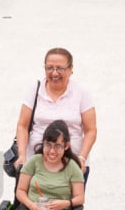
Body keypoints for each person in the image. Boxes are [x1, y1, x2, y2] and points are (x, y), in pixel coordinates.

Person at [14, 47, 97, 180]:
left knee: (69, 201)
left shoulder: (82, 92)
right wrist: (22, 155)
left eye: (60, 68)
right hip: (36, 163)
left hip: (73, 164)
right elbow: (22, 126)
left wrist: (82, 157)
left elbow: (91, 130)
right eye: (49, 68)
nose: (54, 73)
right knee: (34, 200)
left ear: (71, 69)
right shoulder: (34, 89)